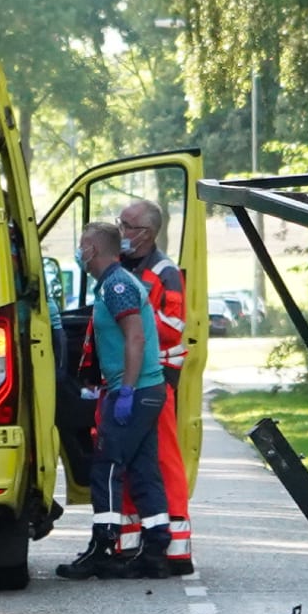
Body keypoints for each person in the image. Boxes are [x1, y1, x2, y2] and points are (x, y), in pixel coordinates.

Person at [55, 222, 171, 580]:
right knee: (142, 470)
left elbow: (135, 339)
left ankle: (103, 547)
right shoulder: (113, 283)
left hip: (134, 391)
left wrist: (125, 391)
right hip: (146, 391)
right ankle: (155, 550)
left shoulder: (117, 286)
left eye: (82, 246)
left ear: (94, 249)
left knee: (106, 467)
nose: (79, 253)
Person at [113, 199, 195, 575]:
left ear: (147, 233)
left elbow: (173, 327)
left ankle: (177, 551)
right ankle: (128, 545)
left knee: (164, 461)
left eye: (128, 225)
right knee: (127, 462)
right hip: (129, 378)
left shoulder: (164, 272)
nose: (121, 232)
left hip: (157, 377)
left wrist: (134, 308)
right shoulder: (121, 268)